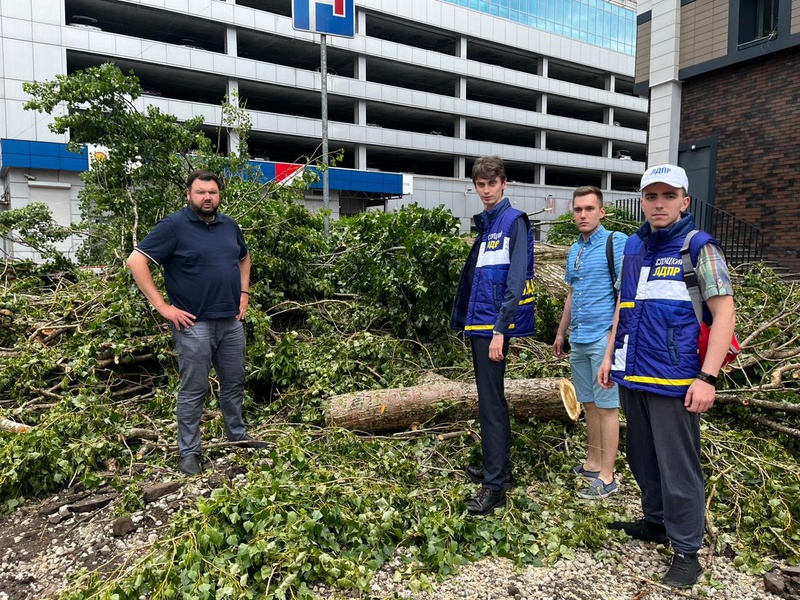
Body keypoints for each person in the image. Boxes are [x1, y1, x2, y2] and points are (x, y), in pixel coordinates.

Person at [598, 164, 736, 587]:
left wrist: (707, 378)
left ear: (684, 202)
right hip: (633, 372)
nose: (659, 204)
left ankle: (687, 551)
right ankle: (655, 522)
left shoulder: (698, 248)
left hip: (676, 380)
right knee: (642, 458)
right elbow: (625, 305)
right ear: (642, 201)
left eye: (668, 196)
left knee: (678, 466)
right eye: (651, 197)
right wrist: (609, 357)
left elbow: (725, 311)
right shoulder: (636, 247)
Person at [127, 170, 269, 476]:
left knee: (233, 383)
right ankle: (189, 452)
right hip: (193, 325)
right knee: (194, 389)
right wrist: (163, 307)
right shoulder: (174, 226)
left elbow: (244, 257)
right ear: (189, 195)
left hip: (231, 322)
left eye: (213, 192)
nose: (208, 197)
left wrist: (244, 293)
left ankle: (237, 435)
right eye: (201, 192)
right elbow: (136, 261)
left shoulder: (229, 225)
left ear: (219, 195)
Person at [450, 155, 536, 516]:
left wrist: (501, 329)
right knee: (491, 401)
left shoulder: (512, 221)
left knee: (491, 404)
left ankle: (495, 486)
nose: (485, 190)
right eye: (480, 185)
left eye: (491, 184)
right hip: (480, 323)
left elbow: (516, 282)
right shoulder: (489, 225)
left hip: (493, 327)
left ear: (504, 183)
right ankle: (496, 468)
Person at [553, 186, 626, 499]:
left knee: (608, 407)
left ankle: (608, 476)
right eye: (578, 209)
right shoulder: (575, 249)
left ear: (602, 211)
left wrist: (613, 341)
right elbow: (572, 293)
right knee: (590, 405)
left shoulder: (615, 243)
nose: (582, 214)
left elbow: (625, 296)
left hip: (602, 339)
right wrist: (560, 332)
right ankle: (593, 462)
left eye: (589, 208)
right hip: (579, 339)